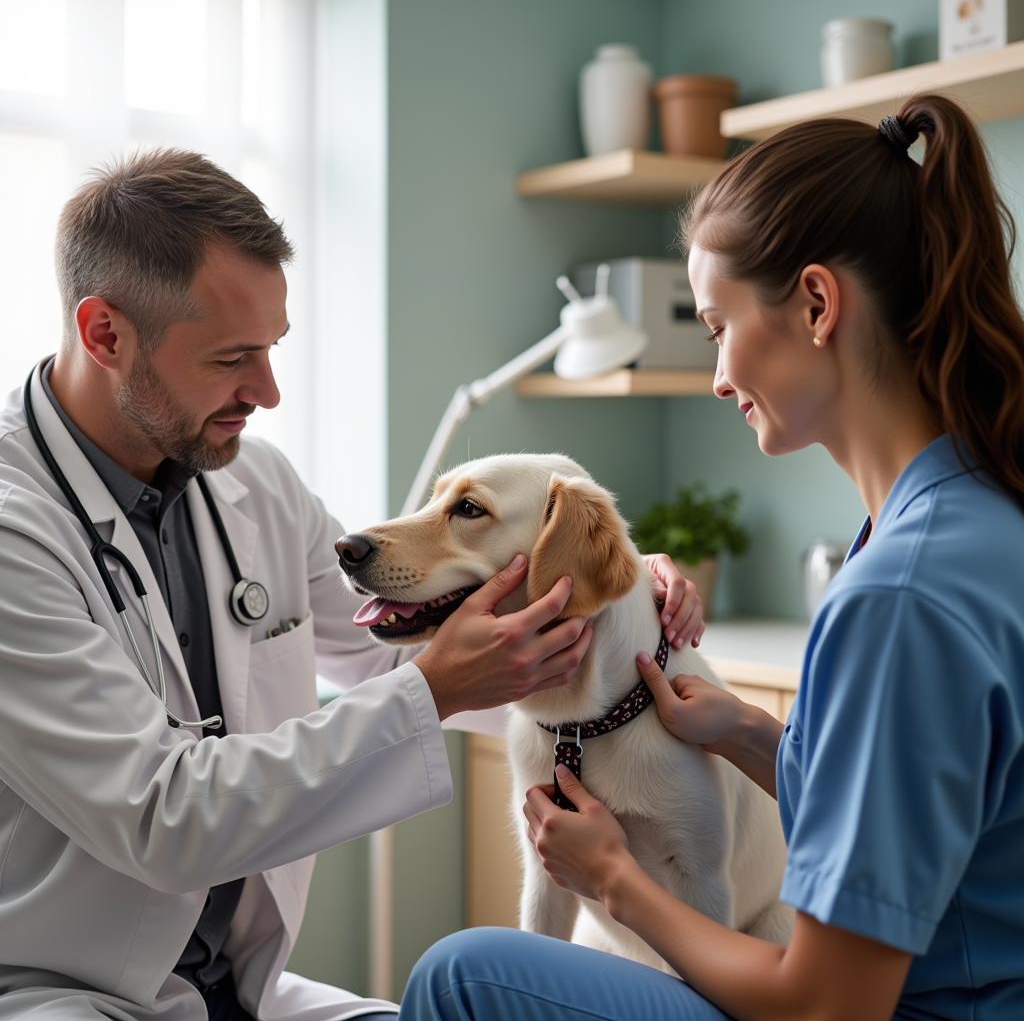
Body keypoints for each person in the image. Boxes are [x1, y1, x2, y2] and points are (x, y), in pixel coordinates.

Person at [0, 149, 704, 1021]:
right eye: (233, 358)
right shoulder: (12, 532)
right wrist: (434, 687)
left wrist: (627, 611)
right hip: (63, 995)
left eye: (273, 349)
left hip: (241, 992)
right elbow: (164, 817)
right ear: (105, 333)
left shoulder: (252, 484)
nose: (268, 390)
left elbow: (390, 653)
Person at [399, 93, 1024, 1021]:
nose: (720, 374)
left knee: (465, 973)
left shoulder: (897, 598)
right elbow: (935, 820)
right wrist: (747, 735)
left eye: (717, 327)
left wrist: (616, 879)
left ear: (817, 303)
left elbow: (826, 1005)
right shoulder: (979, 513)